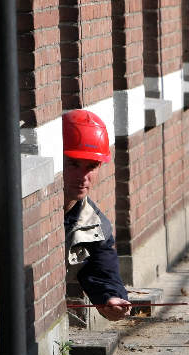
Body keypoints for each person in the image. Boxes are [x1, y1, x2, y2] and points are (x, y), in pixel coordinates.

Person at [62, 109, 131, 321]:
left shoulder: (94, 225)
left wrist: (111, 298)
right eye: (74, 164)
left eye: (91, 166)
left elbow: (100, 268)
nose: (83, 177)